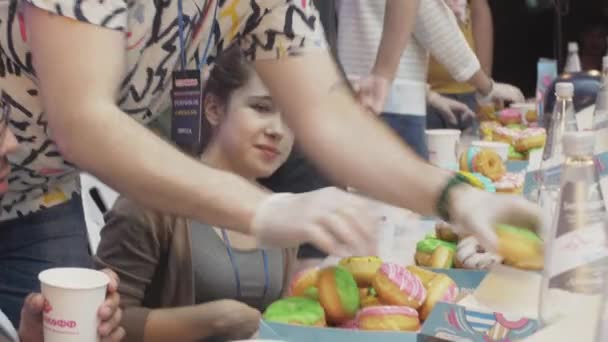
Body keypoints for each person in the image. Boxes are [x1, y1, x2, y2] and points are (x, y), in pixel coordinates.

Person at [2, 0, 542, 326]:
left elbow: (326, 112)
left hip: (38, 195)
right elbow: (83, 121)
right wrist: (263, 210)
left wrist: (457, 197)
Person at [95, 46, 320, 341]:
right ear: (214, 108)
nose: (278, 130)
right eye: (261, 108)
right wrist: (208, 322)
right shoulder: (153, 199)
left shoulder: (281, 212)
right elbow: (99, 318)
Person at [337, 0, 524, 158]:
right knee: (407, 197)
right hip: (393, 106)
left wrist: (430, 96)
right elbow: (432, 22)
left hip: (352, 95)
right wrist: (487, 87)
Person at [427, 0, 494, 131]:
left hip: (470, 93)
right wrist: (488, 87)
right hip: (426, 97)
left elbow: (479, 8)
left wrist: (485, 90)